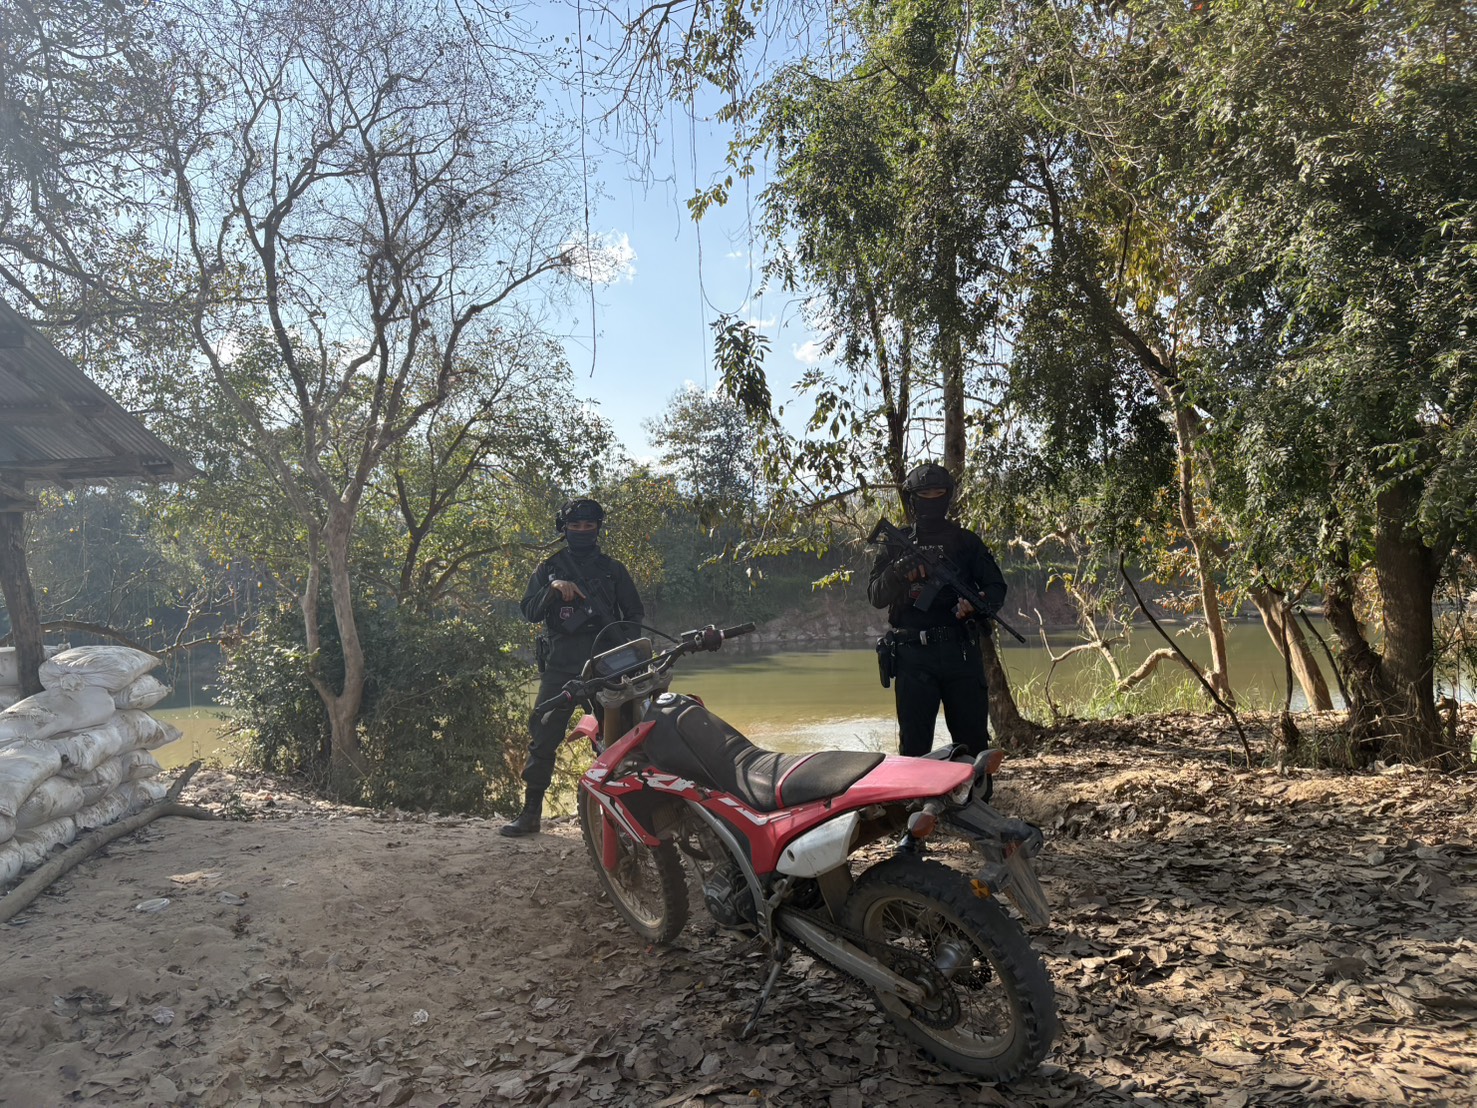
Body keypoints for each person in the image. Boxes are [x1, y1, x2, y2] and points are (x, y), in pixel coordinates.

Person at [502, 498, 645, 837]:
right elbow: (529, 611)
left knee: (619, 740)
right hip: (561, 667)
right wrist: (552, 589)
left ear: (598, 528)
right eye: (575, 526)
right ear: (564, 529)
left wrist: (624, 652)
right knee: (543, 735)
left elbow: (634, 614)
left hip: (606, 667)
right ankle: (530, 813)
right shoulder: (549, 569)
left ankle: (625, 818)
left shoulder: (613, 570)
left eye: (589, 525)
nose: (582, 531)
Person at [868, 462, 1007, 757]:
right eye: (924, 494)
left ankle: (974, 789)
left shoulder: (966, 542)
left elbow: (996, 588)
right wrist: (898, 572)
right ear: (912, 498)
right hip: (913, 658)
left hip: (961, 654)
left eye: (938, 493)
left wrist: (977, 604)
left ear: (948, 495)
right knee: (914, 752)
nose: (932, 499)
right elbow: (876, 595)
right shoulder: (896, 544)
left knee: (973, 749)